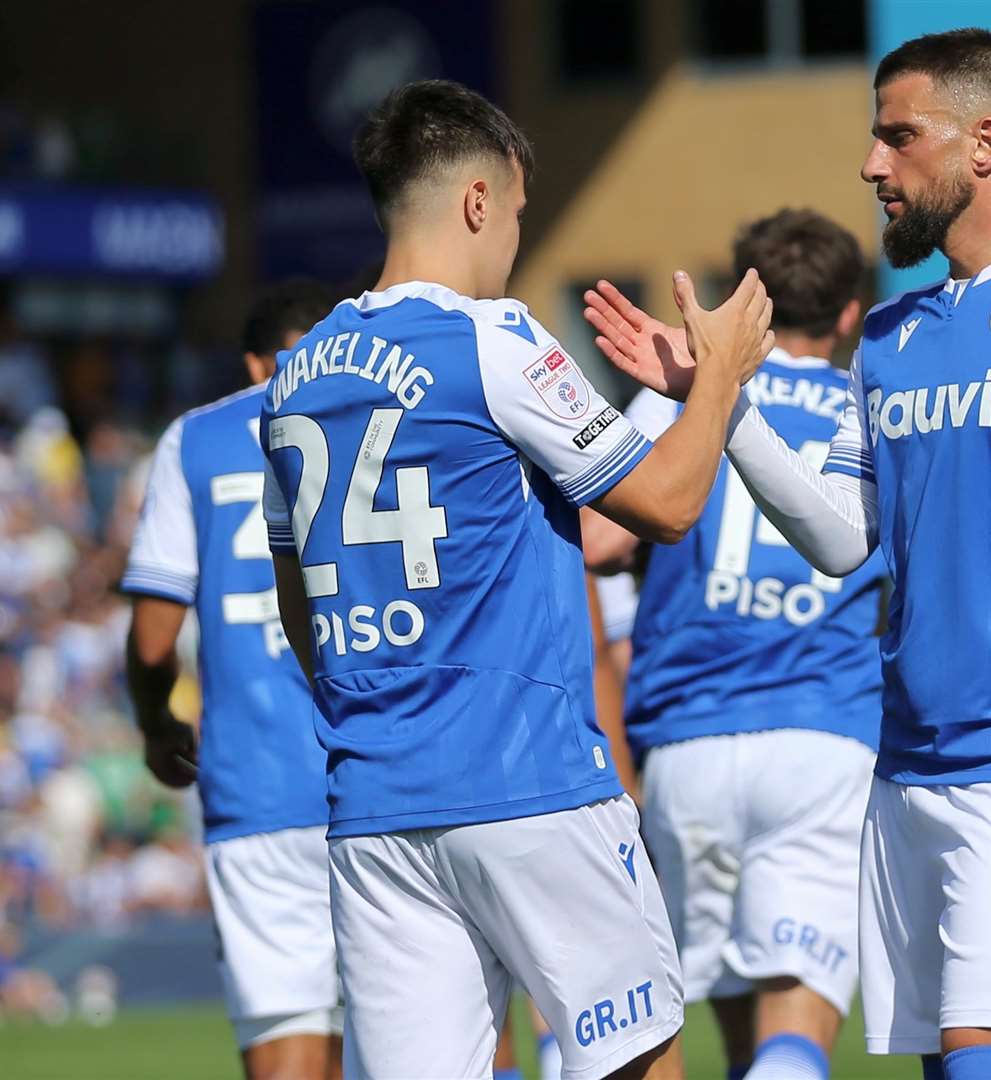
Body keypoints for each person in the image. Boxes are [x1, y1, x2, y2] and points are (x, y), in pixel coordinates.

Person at [584, 29, 991, 1079]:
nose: (871, 166)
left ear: (985, 144)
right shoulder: (890, 334)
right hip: (907, 771)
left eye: (899, 137)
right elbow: (845, 540)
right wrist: (722, 401)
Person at [259, 79, 773, 1080]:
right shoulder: (493, 340)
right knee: (637, 1066)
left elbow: (301, 605)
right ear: (480, 201)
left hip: (376, 807)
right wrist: (717, 376)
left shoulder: (297, 374)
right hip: (529, 783)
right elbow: (667, 501)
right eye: (522, 213)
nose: (514, 241)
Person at [585, 208, 888, 1080]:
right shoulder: (866, 399)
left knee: (721, 1010)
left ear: (737, 306)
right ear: (846, 316)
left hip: (686, 741)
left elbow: (601, 542)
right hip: (821, 731)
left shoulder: (682, 389)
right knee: (799, 1004)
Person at [122, 279, 343, 1080]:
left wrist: (157, 728)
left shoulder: (196, 438)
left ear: (256, 362)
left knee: (288, 1048)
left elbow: (153, 641)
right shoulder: (378, 413)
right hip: (380, 770)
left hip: (256, 787)